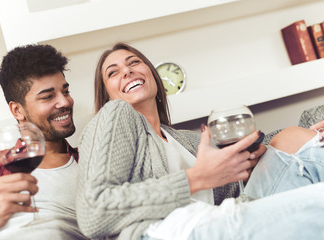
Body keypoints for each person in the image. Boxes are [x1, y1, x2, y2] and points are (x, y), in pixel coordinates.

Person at [75, 42, 324, 240]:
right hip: (171, 232)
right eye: (113, 72)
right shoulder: (116, 113)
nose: (127, 71)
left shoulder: (181, 139)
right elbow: (93, 213)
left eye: (134, 62)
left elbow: (264, 145)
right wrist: (197, 178)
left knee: (296, 140)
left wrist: (303, 132)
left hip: (215, 217)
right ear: (107, 94)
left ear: (151, 74)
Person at [0, 44, 88, 240]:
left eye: (65, 91)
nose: (64, 102)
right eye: (48, 96)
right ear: (17, 110)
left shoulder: (94, 164)